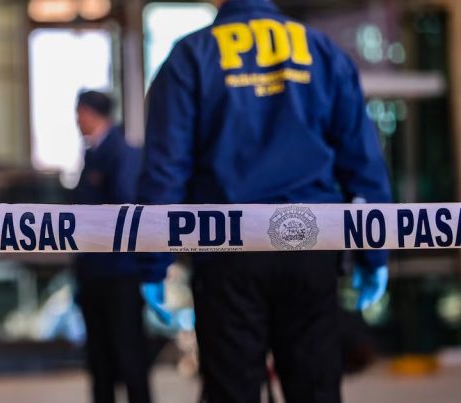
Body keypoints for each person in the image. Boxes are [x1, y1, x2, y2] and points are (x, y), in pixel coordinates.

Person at [138, 1, 392, 402]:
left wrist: (153, 261)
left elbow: (167, 168)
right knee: (316, 389)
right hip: (311, 243)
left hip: (227, 247)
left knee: (231, 391)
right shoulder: (321, 50)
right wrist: (374, 253)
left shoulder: (192, 55)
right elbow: (361, 160)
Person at [72, 90, 158, 403]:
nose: (77, 120)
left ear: (91, 113)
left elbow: (126, 209)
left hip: (119, 273)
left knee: (128, 354)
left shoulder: (122, 153)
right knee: (100, 360)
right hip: (94, 272)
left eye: (79, 112)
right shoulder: (93, 154)